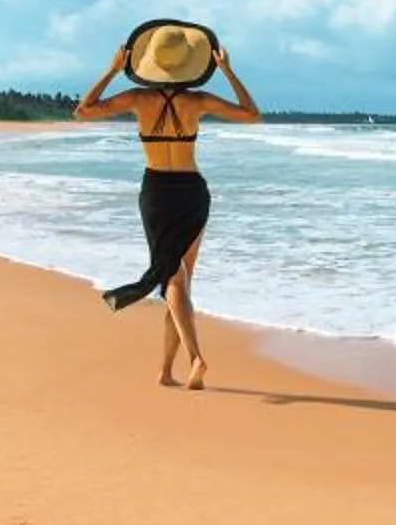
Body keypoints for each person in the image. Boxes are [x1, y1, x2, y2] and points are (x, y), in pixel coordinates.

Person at [71, 22, 259, 389]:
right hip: (192, 191)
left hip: (157, 192)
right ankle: (166, 371)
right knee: (180, 280)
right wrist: (228, 71)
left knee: (173, 278)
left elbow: (83, 111)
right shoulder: (197, 101)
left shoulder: (138, 100)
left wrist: (111, 69)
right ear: (191, 63)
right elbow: (251, 114)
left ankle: (196, 358)